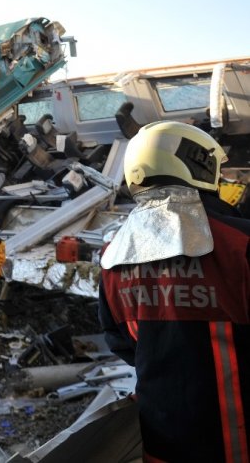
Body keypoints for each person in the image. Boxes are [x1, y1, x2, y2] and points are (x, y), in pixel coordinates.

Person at [98, 121, 250, 463]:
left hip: (161, 444)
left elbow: (121, 342)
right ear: (199, 164)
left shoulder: (112, 259)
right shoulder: (239, 245)